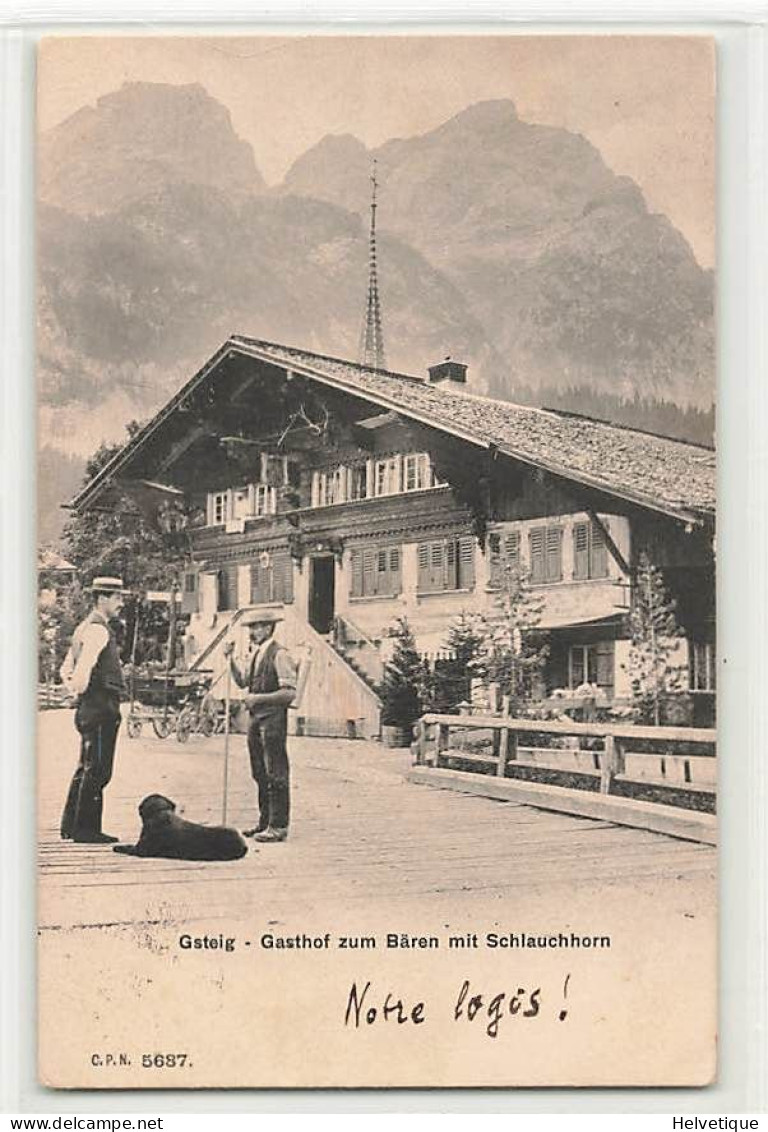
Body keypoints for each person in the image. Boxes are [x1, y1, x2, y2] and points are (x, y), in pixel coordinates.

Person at [60, 576, 129, 844]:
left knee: (85, 766)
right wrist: (81, 691)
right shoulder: (99, 631)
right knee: (98, 769)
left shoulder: (83, 628)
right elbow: (81, 672)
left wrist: (75, 694)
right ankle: (86, 829)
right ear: (102, 598)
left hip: (90, 707)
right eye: (117, 597)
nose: (121, 603)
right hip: (101, 706)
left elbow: (65, 669)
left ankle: (71, 825)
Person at [224, 609, 297, 843]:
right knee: (259, 772)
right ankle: (264, 822)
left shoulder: (280, 654)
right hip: (256, 720)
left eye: (257, 627)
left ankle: (279, 826)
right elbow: (243, 681)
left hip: (273, 720)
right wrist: (230, 659)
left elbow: (288, 694)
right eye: (251, 628)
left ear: (269, 628)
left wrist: (258, 699)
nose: (253, 632)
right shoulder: (256, 654)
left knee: (276, 771)